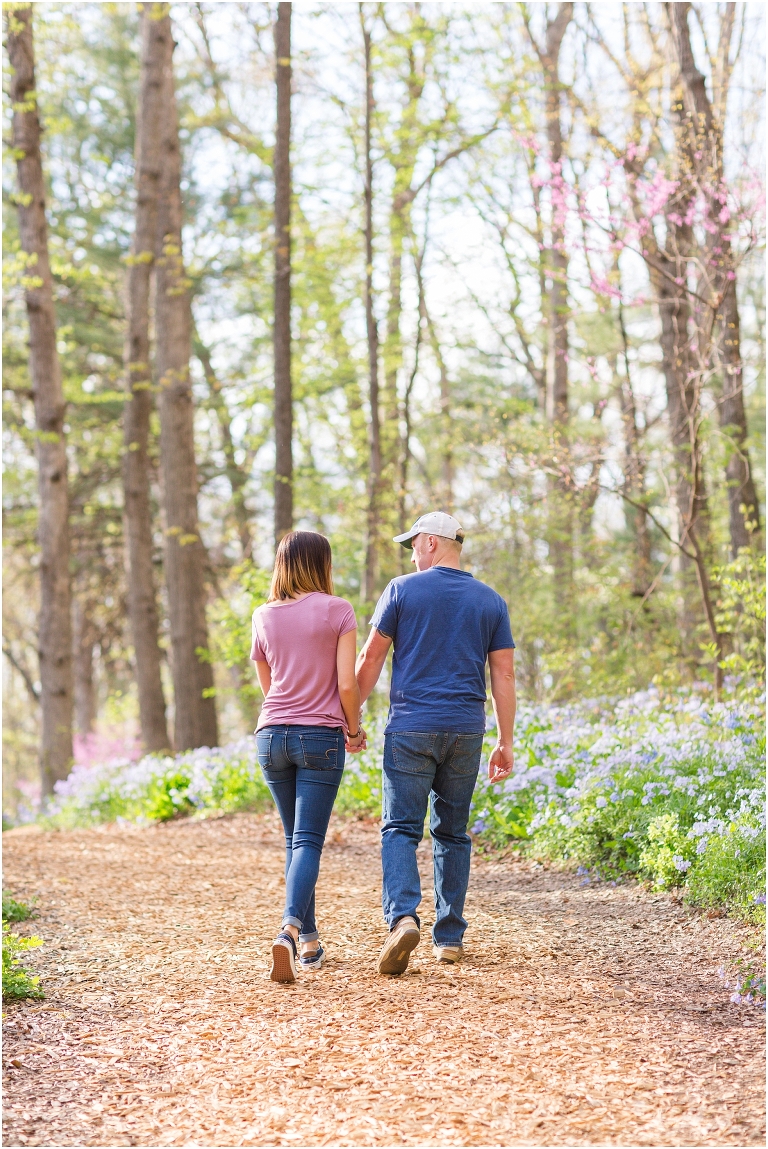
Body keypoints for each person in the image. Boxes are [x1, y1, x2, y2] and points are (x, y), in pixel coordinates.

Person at [355, 511, 516, 975]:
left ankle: (403, 918)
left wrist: (352, 715)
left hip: (410, 728)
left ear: (430, 542)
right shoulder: (491, 601)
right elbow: (503, 674)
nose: (410, 553)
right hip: (466, 730)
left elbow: (371, 657)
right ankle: (449, 938)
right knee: (452, 833)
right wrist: (505, 740)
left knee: (401, 829)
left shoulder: (401, 589)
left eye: (412, 544)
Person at [251, 530, 366, 984]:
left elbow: (267, 680)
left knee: (294, 842)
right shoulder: (337, 610)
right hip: (319, 736)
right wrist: (353, 730)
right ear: (323, 564)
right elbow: (346, 685)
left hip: (271, 736)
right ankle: (288, 931)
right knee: (308, 842)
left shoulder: (263, 614)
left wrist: (283, 715)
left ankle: (311, 941)